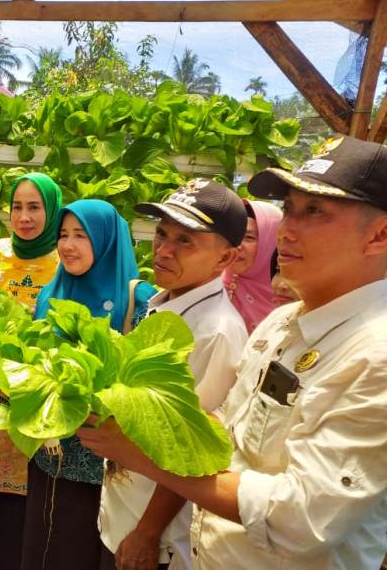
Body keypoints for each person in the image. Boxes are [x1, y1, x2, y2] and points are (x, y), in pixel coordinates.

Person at [78, 135, 387, 570]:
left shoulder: (374, 354)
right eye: (289, 209)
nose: (287, 229)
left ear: (380, 235)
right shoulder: (281, 325)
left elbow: (303, 520)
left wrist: (144, 454)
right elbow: (227, 429)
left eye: (314, 211)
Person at [95, 178, 249, 570]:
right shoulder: (165, 303)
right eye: (162, 234)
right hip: (126, 510)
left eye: (186, 241)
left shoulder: (213, 330)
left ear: (225, 259)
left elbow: (192, 451)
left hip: (158, 536)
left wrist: (147, 534)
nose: (163, 250)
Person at [20, 199, 156, 570]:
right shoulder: (51, 293)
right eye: (63, 234)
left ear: (107, 239)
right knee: (47, 548)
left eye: (81, 235)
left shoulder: (141, 302)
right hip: (50, 454)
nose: (67, 245)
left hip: (109, 463)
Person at [0, 172, 62, 570]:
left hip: (34, 400)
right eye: (17, 207)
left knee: (27, 511)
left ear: (52, 211)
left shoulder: (64, 261)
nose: (24, 217)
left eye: (35, 207)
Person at [223, 199, 282, 334]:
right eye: (234, 236)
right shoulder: (211, 284)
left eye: (249, 238)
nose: (237, 246)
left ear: (271, 244)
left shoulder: (291, 296)